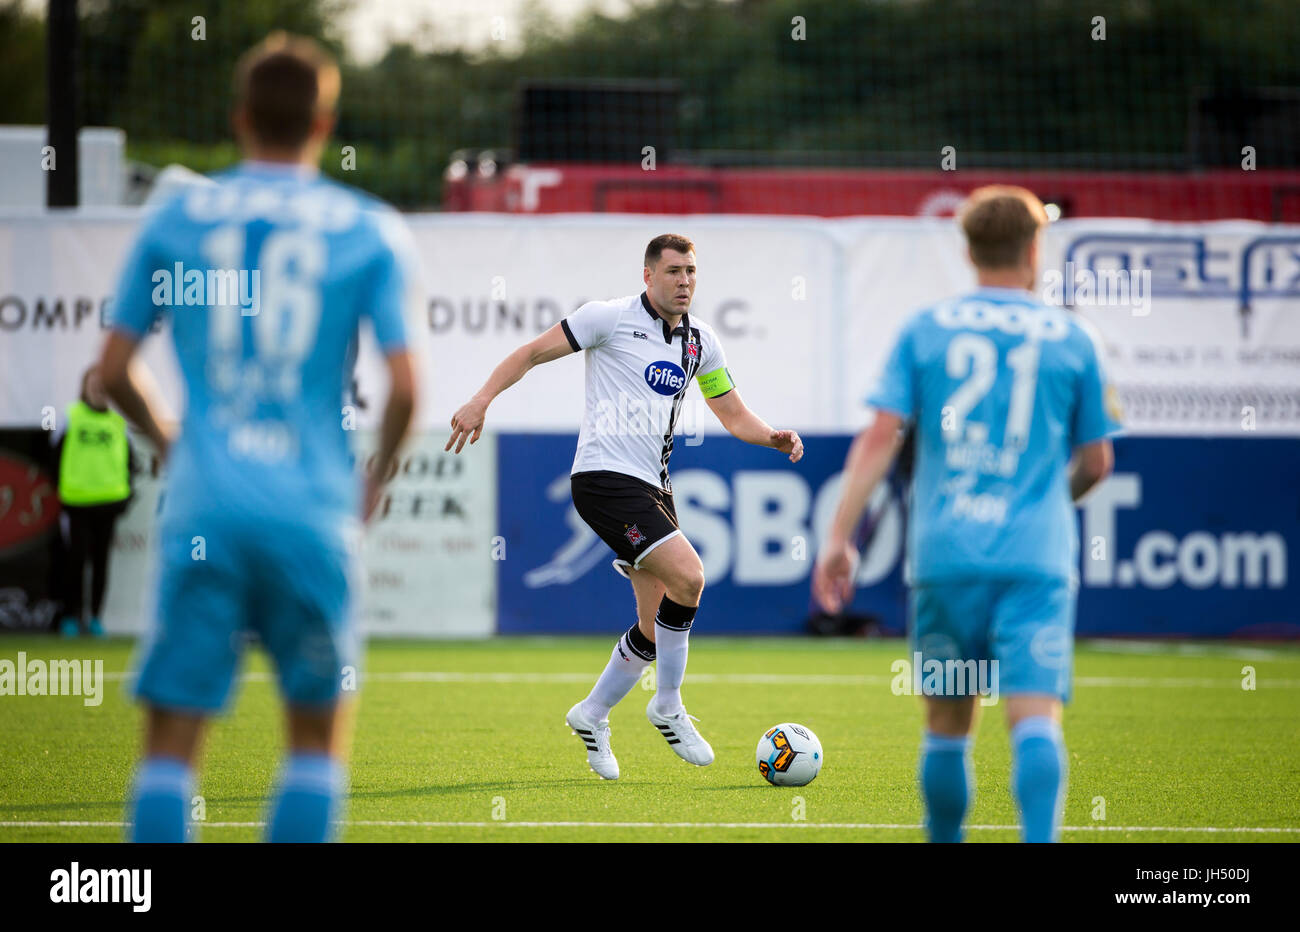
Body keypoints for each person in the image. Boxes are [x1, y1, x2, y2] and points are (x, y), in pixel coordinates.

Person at [98, 32, 420, 842]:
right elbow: (407, 385)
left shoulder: (178, 216)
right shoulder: (369, 229)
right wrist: (374, 479)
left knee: (170, 746)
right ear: (325, 122)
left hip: (204, 508)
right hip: (312, 513)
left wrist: (173, 437)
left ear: (240, 117)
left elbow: (111, 370)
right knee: (314, 743)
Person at [813, 186, 1120, 843]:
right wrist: (1044, 506)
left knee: (949, 724)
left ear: (969, 248)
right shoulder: (1073, 337)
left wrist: (840, 537)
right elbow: (1096, 463)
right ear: (1035, 247)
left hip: (947, 556)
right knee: (1034, 716)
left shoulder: (927, 329)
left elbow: (879, 438)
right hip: (1035, 562)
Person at [446, 234, 804, 779]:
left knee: (654, 624)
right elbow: (530, 354)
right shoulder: (606, 319)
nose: (684, 281)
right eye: (674, 272)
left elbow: (731, 414)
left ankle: (591, 713)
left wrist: (771, 436)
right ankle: (668, 704)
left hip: (654, 488)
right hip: (603, 479)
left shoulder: (700, 342)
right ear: (647, 276)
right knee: (690, 578)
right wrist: (481, 399)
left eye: (691, 272)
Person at [55, 365, 137, 638]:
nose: (98, 390)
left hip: (108, 503)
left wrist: (125, 494)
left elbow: (131, 463)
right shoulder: (71, 418)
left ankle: (96, 619)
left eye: (103, 385)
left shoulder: (117, 423)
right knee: (75, 561)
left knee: (102, 563)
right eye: (94, 384)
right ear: (85, 387)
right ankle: (70, 616)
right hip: (77, 502)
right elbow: (53, 457)